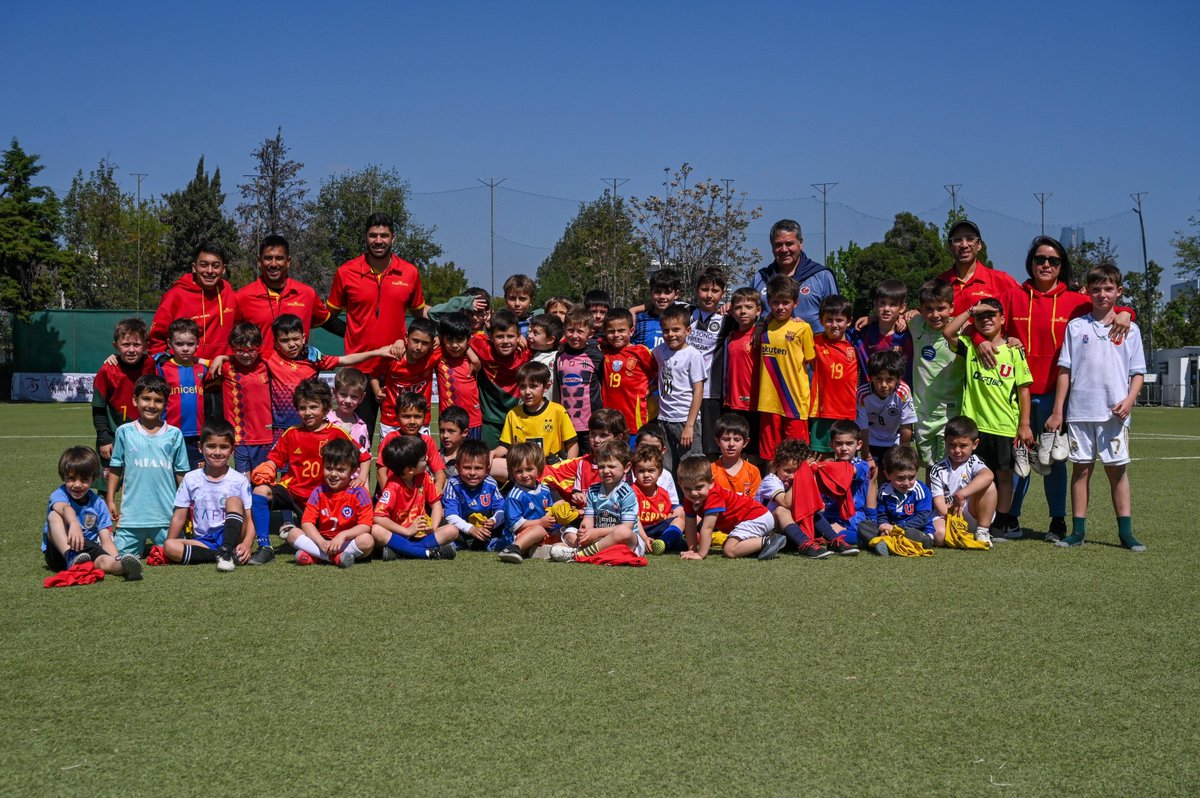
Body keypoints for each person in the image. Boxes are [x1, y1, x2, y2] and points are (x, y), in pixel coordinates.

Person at [1004, 236, 1133, 542]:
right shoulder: (1013, 296)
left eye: (1053, 260)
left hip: (1056, 395)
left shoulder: (1076, 300)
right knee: (1019, 457)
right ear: (1030, 263)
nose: (1046, 265)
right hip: (1016, 392)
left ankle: (1057, 521)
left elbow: (1107, 307)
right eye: (1040, 259)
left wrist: (1129, 313)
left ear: (1062, 265)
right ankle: (1009, 518)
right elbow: (989, 324)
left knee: (1054, 459)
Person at [1046, 263, 1146, 551]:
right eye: (1097, 289)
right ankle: (1078, 531)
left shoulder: (1131, 329)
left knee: (1117, 471)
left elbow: (1137, 373)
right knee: (1081, 471)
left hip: (1115, 413)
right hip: (1080, 412)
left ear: (1119, 291)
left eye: (1109, 289)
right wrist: (1058, 410)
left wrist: (1129, 400)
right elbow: (1065, 370)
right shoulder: (1077, 327)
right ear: (1087, 291)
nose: (1102, 294)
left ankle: (1126, 532)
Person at [325, 213, 428, 443]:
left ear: (394, 238)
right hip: (357, 372)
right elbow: (325, 316)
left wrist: (450, 316)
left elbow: (420, 313)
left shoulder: (409, 272)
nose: (378, 240)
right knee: (352, 444)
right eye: (373, 235)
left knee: (402, 445)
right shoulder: (346, 272)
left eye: (384, 235)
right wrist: (350, 332)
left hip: (398, 371)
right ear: (365, 237)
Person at [249, 379, 370, 564]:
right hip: (293, 491)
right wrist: (269, 467)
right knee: (259, 492)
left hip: (321, 497)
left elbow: (364, 456)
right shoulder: (291, 433)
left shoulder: (337, 433)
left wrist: (361, 478)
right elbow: (274, 459)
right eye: (302, 408)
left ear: (325, 408)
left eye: (313, 407)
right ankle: (265, 547)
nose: (307, 413)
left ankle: (319, 553)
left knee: (323, 533)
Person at [942, 298, 1034, 540]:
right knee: (975, 476)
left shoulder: (1014, 351)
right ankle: (976, 521)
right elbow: (948, 330)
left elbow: (1024, 388)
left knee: (1004, 476)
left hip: (1004, 426)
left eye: (992, 314)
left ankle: (1001, 524)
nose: (987, 319)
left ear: (1003, 319)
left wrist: (1024, 424)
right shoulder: (970, 346)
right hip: (975, 428)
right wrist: (971, 311)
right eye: (981, 317)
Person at [106, 374, 191, 558]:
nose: (151, 405)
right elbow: (115, 467)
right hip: (131, 518)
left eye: (158, 401)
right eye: (146, 398)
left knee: (176, 554)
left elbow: (181, 474)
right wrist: (110, 499)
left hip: (166, 517)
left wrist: (187, 505)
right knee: (116, 556)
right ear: (135, 400)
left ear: (165, 404)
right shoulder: (125, 432)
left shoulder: (174, 434)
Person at [164, 420, 254, 572]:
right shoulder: (191, 478)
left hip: (233, 535)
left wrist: (247, 544)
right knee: (170, 546)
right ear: (200, 447)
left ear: (232, 450)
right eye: (211, 446)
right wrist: (168, 546)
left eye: (224, 447)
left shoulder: (239, 480)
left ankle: (227, 548)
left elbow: (249, 519)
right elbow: (179, 516)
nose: (217, 452)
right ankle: (220, 554)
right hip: (203, 542)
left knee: (233, 500)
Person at [44, 446, 143, 580]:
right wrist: (73, 523)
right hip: (59, 552)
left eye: (84, 480)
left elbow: (106, 540)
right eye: (71, 479)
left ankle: (124, 568)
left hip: (86, 551)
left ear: (93, 479)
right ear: (63, 477)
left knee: (103, 559)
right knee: (54, 515)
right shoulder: (59, 494)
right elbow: (64, 509)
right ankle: (70, 557)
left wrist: (116, 557)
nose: (77, 485)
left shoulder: (98, 503)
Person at [937, 219, 1020, 371]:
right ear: (949, 246)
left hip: (988, 367)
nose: (964, 245)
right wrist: (913, 313)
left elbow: (1023, 310)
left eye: (970, 239)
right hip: (946, 369)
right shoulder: (940, 282)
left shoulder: (1001, 280)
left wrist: (1014, 339)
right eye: (957, 240)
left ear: (979, 245)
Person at [234, 234, 335, 353]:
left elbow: (329, 322)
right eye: (267, 258)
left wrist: (361, 337)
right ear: (259, 261)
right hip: (259, 370)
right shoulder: (242, 297)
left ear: (288, 261)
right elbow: (229, 335)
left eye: (279, 258)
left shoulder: (307, 294)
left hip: (298, 369)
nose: (273, 264)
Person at [550, 440, 648, 561]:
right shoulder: (593, 490)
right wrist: (584, 531)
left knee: (622, 532)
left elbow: (627, 527)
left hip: (627, 541)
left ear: (627, 467)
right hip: (600, 539)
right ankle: (591, 550)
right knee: (570, 534)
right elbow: (588, 519)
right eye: (601, 466)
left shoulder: (627, 493)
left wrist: (596, 532)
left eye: (611, 466)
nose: (606, 471)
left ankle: (580, 554)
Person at [290, 438, 375, 567]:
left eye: (340, 470)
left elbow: (365, 525)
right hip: (323, 541)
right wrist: (321, 542)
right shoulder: (318, 492)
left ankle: (318, 557)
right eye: (329, 468)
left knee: (367, 541)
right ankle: (334, 558)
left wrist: (343, 535)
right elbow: (307, 523)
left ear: (353, 471)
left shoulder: (360, 493)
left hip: (346, 542)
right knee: (292, 534)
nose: (333, 474)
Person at [756, 275, 816, 461]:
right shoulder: (764, 326)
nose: (780, 307)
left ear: (795, 303)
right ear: (769, 302)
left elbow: (812, 362)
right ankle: (772, 489)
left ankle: (799, 490)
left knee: (797, 455)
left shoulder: (803, 328)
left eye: (785, 302)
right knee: (770, 456)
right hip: (768, 401)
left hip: (794, 401)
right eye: (775, 302)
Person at [907, 280, 964, 469]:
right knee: (929, 466)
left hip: (950, 412)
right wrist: (871, 319)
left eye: (941, 308)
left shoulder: (962, 331)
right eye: (929, 309)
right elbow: (890, 317)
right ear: (921, 309)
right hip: (922, 410)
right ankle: (931, 500)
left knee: (947, 466)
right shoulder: (915, 324)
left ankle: (946, 500)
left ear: (952, 308)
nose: (935, 314)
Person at [148, 242, 238, 360]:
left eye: (216, 266)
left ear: (224, 269)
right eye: (204, 265)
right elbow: (156, 339)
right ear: (194, 267)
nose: (210, 271)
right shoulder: (175, 295)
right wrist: (162, 363)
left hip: (221, 371)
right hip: (187, 372)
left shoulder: (228, 291)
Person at [372, 435, 456, 560]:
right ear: (410, 470)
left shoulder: (424, 476)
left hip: (422, 534)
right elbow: (378, 517)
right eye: (423, 459)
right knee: (376, 530)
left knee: (452, 530)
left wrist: (432, 526)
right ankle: (427, 553)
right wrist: (406, 531)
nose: (427, 458)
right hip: (399, 535)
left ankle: (402, 552)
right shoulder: (392, 487)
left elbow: (436, 504)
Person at [677, 454, 776, 560]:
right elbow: (690, 525)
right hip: (752, 518)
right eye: (687, 489)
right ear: (680, 485)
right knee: (728, 545)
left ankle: (771, 540)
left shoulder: (714, 495)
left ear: (711, 483)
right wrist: (692, 550)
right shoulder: (689, 498)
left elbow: (708, 528)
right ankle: (760, 545)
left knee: (729, 549)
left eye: (699, 487)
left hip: (756, 517)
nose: (693, 493)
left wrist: (700, 554)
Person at [491, 361, 578, 479]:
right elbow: (505, 447)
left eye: (533, 386)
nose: (527, 392)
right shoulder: (513, 414)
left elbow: (572, 445)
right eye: (522, 386)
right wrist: (492, 453)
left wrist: (566, 470)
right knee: (488, 464)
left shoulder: (557, 411)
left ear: (546, 387)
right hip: (522, 470)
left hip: (550, 468)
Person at [749, 219, 838, 333]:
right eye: (778, 245)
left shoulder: (822, 276)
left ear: (800, 243)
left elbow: (837, 315)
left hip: (813, 348)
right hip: (770, 348)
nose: (784, 249)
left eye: (789, 243)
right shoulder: (760, 278)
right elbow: (747, 312)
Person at [92, 318, 155, 469]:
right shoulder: (107, 370)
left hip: (145, 437)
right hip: (113, 438)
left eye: (137, 344)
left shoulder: (151, 365)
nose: (131, 349)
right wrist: (104, 440)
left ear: (145, 346)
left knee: (140, 482)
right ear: (116, 346)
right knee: (107, 487)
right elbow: (98, 409)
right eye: (126, 345)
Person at [209, 322, 272, 473]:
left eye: (251, 350)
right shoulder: (226, 367)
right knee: (243, 481)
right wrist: (221, 357)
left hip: (265, 437)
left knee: (262, 481)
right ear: (232, 348)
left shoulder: (266, 364)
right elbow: (199, 362)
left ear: (259, 346)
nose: (245, 354)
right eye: (240, 350)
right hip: (240, 438)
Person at [652, 304, 706, 472]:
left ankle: (691, 499)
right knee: (667, 468)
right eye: (666, 330)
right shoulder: (659, 351)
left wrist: (689, 425)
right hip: (664, 420)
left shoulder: (693, 355)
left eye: (676, 330)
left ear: (688, 330)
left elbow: (698, 390)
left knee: (690, 468)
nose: (671, 335)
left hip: (685, 420)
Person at [929, 416, 997, 547]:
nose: (957, 451)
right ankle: (960, 535)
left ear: (975, 444)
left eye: (963, 446)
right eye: (952, 445)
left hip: (971, 512)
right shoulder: (938, 469)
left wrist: (962, 494)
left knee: (989, 486)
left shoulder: (974, 462)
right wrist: (952, 518)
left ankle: (982, 531)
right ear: (945, 442)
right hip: (949, 514)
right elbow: (938, 501)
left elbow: (988, 475)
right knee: (939, 536)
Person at [156, 318, 211, 469]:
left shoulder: (202, 370)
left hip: (197, 434)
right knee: (170, 474)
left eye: (190, 344)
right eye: (179, 344)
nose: (185, 348)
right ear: (170, 344)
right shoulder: (162, 368)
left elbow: (223, 365)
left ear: (197, 344)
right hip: (170, 432)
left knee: (195, 475)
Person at [808, 295, 859, 457]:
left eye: (839, 320)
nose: (834, 325)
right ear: (821, 320)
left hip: (847, 412)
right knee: (823, 459)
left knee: (847, 459)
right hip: (822, 411)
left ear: (848, 321)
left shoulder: (856, 344)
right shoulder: (814, 341)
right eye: (829, 320)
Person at [861, 446, 935, 556]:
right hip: (891, 531)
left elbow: (923, 519)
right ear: (887, 475)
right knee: (864, 525)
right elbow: (882, 514)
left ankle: (886, 544)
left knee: (913, 535)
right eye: (900, 478)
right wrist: (883, 526)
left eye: (911, 477)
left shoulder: (921, 490)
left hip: (917, 531)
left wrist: (897, 528)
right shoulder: (884, 491)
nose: (906, 482)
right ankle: (891, 544)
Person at [435, 439, 507, 551]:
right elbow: (450, 515)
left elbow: (501, 509)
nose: (472, 473)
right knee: (448, 529)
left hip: (484, 530)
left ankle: (492, 543)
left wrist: (493, 521)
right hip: (461, 530)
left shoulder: (491, 483)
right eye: (467, 467)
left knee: (506, 524)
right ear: (457, 468)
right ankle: (454, 545)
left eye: (478, 468)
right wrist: (471, 529)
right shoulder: (453, 484)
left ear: (487, 469)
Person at [373, 317, 439, 436]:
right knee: (390, 453)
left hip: (420, 419)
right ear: (407, 337)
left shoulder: (433, 356)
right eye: (415, 340)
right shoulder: (391, 356)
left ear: (432, 343)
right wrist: (376, 389)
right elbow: (374, 373)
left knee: (419, 453)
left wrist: (440, 338)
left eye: (425, 343)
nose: (419, 347)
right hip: (391, 419)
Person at [688, 267, 728, 460]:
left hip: (711, 392)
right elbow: (656, 303)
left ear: (723, 293)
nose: (709, 295)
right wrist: (634, 310)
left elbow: (756, 312)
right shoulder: (686, 313)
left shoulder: (728, 320)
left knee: (711, 448)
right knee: (688, 443)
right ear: (697, 290)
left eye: (715, 291)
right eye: (705, 289)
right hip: (684, 391)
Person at [855, 350, 916, 475]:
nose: (883, 385)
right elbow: (863, 428)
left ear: (898, 379)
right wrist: (866, 455)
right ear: (871, 377)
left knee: (889, 478)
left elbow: (906, 427)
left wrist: (901, 452)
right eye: (878, 379)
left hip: (894, 442)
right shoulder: (862, 394)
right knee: (871, 475)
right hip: (871, 441)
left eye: (889, 380)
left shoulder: (903, 392)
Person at [555, 308, 605, 454]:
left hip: (590, 425)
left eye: (580, 332)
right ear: (564, 329)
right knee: (568, 465)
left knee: (591, 463)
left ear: (590, 333)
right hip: (566, 424)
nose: (574, 336)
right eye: (570, 330)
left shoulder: (596, 356)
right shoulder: (559, 355)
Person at [497, 443, 558, 564]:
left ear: (539, 468)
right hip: (517, 536)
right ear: (512, 472)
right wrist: (540, 522)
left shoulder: (545, 490)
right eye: (519, 471)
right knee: (539, 530)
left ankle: (537, 551)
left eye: (529, 469)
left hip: (542, 534)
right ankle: (513, 549)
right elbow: (515, 525)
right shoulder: (515, 495)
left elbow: (549, 511)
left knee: (565, 532)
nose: (525, 475)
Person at [375, 392, 447, 492]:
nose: (412, 421)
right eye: (406, 416)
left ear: (425, 417)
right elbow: (381, 471)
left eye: (417, 416)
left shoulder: (427, 440)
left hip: (419, 497)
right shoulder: (391, 438)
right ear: (397, 416)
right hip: (394, 494)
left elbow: (439, 472)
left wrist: (436, 491)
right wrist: (390, 495)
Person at [600, 308, 656, 435]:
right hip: (608, 416)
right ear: (604, 332)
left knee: (633, 452)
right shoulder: (603, 350)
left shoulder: (640, 352)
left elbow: (659, 375)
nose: (616, 335)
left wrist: (650, 389)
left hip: (633, 418)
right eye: (611, 331)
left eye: (621, 330)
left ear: (631, 331)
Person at [721, 287, 762, 458]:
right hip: (732, 403)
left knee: (753, 452)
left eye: (748, 307)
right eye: (738, 307)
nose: (742, 311)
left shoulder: (762, 334)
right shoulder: (730, 335)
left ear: (758, 310)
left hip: (754, 404)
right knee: (734, 449)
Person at [849, 279, 913, 385]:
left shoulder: (910, 334)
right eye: (882, 303)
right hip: (870, 398)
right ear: (876, 304)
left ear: (902, 308)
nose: (886, 308)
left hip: (901, 398)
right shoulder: (863, 332)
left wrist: (909, 317)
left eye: (892, 304)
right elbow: (839, 334)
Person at [630, 444, 686, 554]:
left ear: (660, 472)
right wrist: (645, 538)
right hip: (639, 530)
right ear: (634, 472)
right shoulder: (631, 492)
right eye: (641, 471)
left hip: (658, 530)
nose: (646, 475)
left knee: (679, 520)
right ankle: (658, 544)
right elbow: (633, 520)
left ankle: (663, 543)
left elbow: (666, 516)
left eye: (651, 470)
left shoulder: (663, 493)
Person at [436, 312, 484, 439]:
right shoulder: (439, 356)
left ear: (468, 340)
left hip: (472, 421)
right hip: (448, 424)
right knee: (450, 458)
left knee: (472, 458)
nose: (455, 345)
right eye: (450, 340)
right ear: (442, 338)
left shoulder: (474, 358)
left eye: (460, 340)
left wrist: (471, 354)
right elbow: (432, 313)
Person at [711, 413, 761, 497]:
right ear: (717, 441)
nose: (731, 444)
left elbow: (755, 502)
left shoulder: (753, 471)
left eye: (737, 440)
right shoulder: (710, 471)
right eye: (726, 439)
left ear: (745, 442)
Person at [633, 268, 683, 350]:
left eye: (667, 292)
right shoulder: (638, 320)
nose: (662, 297)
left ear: (677, 294)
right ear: (650, 293)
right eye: (657, 292)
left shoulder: (686, 319)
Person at [327, 367, 371, 452]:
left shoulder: (362, 426)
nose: (348, 401)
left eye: (354, 397)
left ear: (362, 397)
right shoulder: (325, 421)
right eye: (343, 394)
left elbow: (365, 456)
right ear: (334, 392)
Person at [437, 405, 471, 478]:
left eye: (451, 431)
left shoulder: (471, 458)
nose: (445, 435)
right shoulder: (435, 457)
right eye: (442, 431)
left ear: (464, 432)